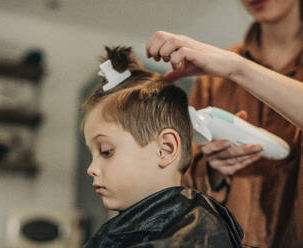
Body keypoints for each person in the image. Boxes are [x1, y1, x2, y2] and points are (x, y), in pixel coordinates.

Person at [145, 0, 303, 247]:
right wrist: (214, 172)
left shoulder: (226, 67)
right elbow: (182, 184)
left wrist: (238, 69)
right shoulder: (213, 79)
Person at [81, 46, 244, 248]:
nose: (91, 169)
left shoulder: (194, 234)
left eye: (106, 151)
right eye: (93, 154)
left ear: (165, 149)